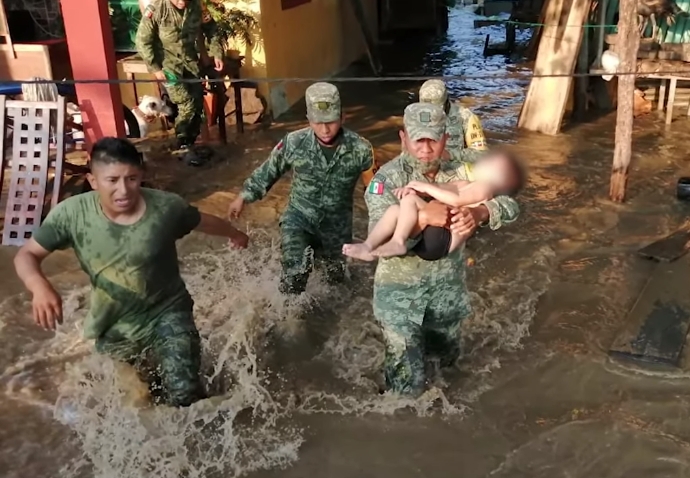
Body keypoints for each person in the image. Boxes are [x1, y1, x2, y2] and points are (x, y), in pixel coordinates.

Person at [13, 137, 249, 408]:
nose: (123, 190)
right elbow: (27, 254)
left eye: (132, 178)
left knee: (184, 395)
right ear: (93, 180)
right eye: (112, 180)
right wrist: (39, 286)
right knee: (136, 403)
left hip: (168, 313)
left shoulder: (166, 207)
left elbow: (201, 220)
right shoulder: (71, 214)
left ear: (142, 176)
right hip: (114, 325)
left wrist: (235, 233)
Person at [364, 102, 520, 397]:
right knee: (406, 391)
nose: (425, 149)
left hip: (447, 296)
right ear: (403, 138)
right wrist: (424, 218)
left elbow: (511, 204)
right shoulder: (386, 180)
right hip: (401, 299)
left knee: (448, 376)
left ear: (445, 139)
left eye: (432, 139)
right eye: (417, 139)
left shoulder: (464, 171)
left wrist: (481, 213)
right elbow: (377, 237)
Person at [227, 82, 378, 295]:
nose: (325, 129)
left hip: (337, 228)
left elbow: (375, 188)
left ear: (343, 117)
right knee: (295, 269)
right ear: (308, 120)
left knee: (336, 285)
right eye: (318, 122)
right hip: (299, 219)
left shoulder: (361, 149)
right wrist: (244, 196)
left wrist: (383, 220)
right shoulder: (294, 142)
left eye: (331, 122)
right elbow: (270, 170)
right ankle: (288, 319)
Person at [344, 151, 525, 261]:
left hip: (442, 239)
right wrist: (411, 188)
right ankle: (367, 247)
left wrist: (423, 187)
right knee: (395, 209)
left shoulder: (484, 187)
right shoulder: (469, 181)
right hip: (435, 231)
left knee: (408, 202)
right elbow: (445, 188)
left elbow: (456, 200)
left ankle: (398, 241)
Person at [136, 0, 224, 164]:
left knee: (197, 102)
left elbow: (212, 29)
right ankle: (183, 146)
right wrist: (155, 68)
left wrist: (216, 53)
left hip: (190, 64)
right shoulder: (156, 9)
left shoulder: (197, 6)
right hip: (168, 67)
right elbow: (142, 41)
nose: (182, 2)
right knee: (186, 103)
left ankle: (190, 144)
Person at [417, 79, 488, 160]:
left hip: (456, 165)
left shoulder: (465, 117)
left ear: (446, 101)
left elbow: (481, 154)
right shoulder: (414, 117)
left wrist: (450, 155)